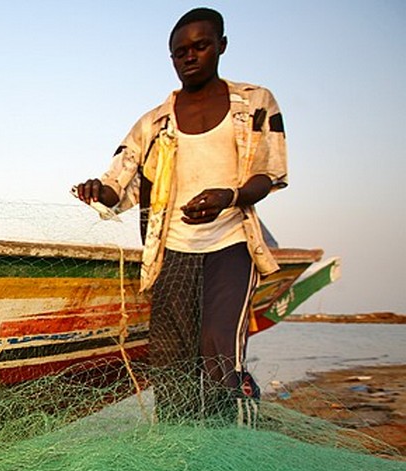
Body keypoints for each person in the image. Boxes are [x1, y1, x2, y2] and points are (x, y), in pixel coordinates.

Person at [74, 7, 287, 424]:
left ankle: (233, 440)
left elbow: (269, 172)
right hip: (171, 250)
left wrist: (230, 196)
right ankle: (180, 447)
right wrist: (98, 191)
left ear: (221, 46)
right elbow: (119, 182)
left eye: (200, 46)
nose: (189, 57)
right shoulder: (153, 123)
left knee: (218, 345)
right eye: (179, 52)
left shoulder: (254, 102)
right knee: (171, 361)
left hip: (231, 243)